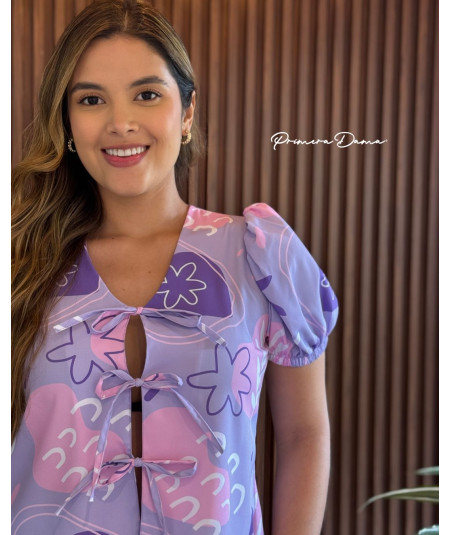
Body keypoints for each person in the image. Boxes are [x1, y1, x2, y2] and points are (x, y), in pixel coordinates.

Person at [11, 1, 339, 534]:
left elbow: (304, 435)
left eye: (147, 94)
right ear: (67, 123)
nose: (121, 123)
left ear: (186, 113)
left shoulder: (259, 255)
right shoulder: (22, 262)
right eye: (91, 99)